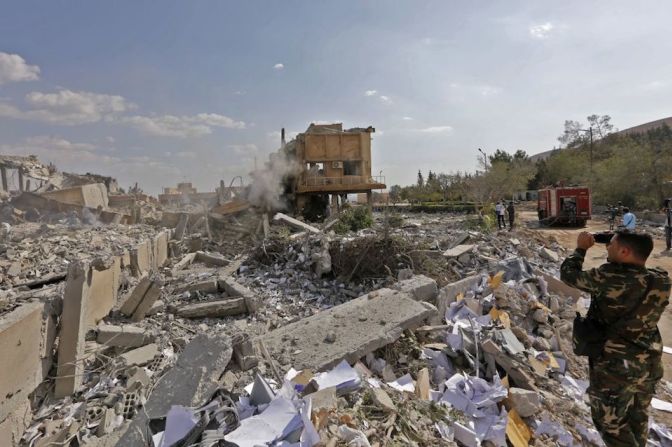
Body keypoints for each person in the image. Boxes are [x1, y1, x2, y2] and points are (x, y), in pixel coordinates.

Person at [560, 231, 671, 446]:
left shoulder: (608, 277)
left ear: (624, 251)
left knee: (610, 425)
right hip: (648, 366)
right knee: (637, 419)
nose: (607, 248)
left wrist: (581, 248)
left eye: (610, 244)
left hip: (616, 369)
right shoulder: (661, 281)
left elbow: (568, 274)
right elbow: (635, 259)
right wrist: (614, 238)